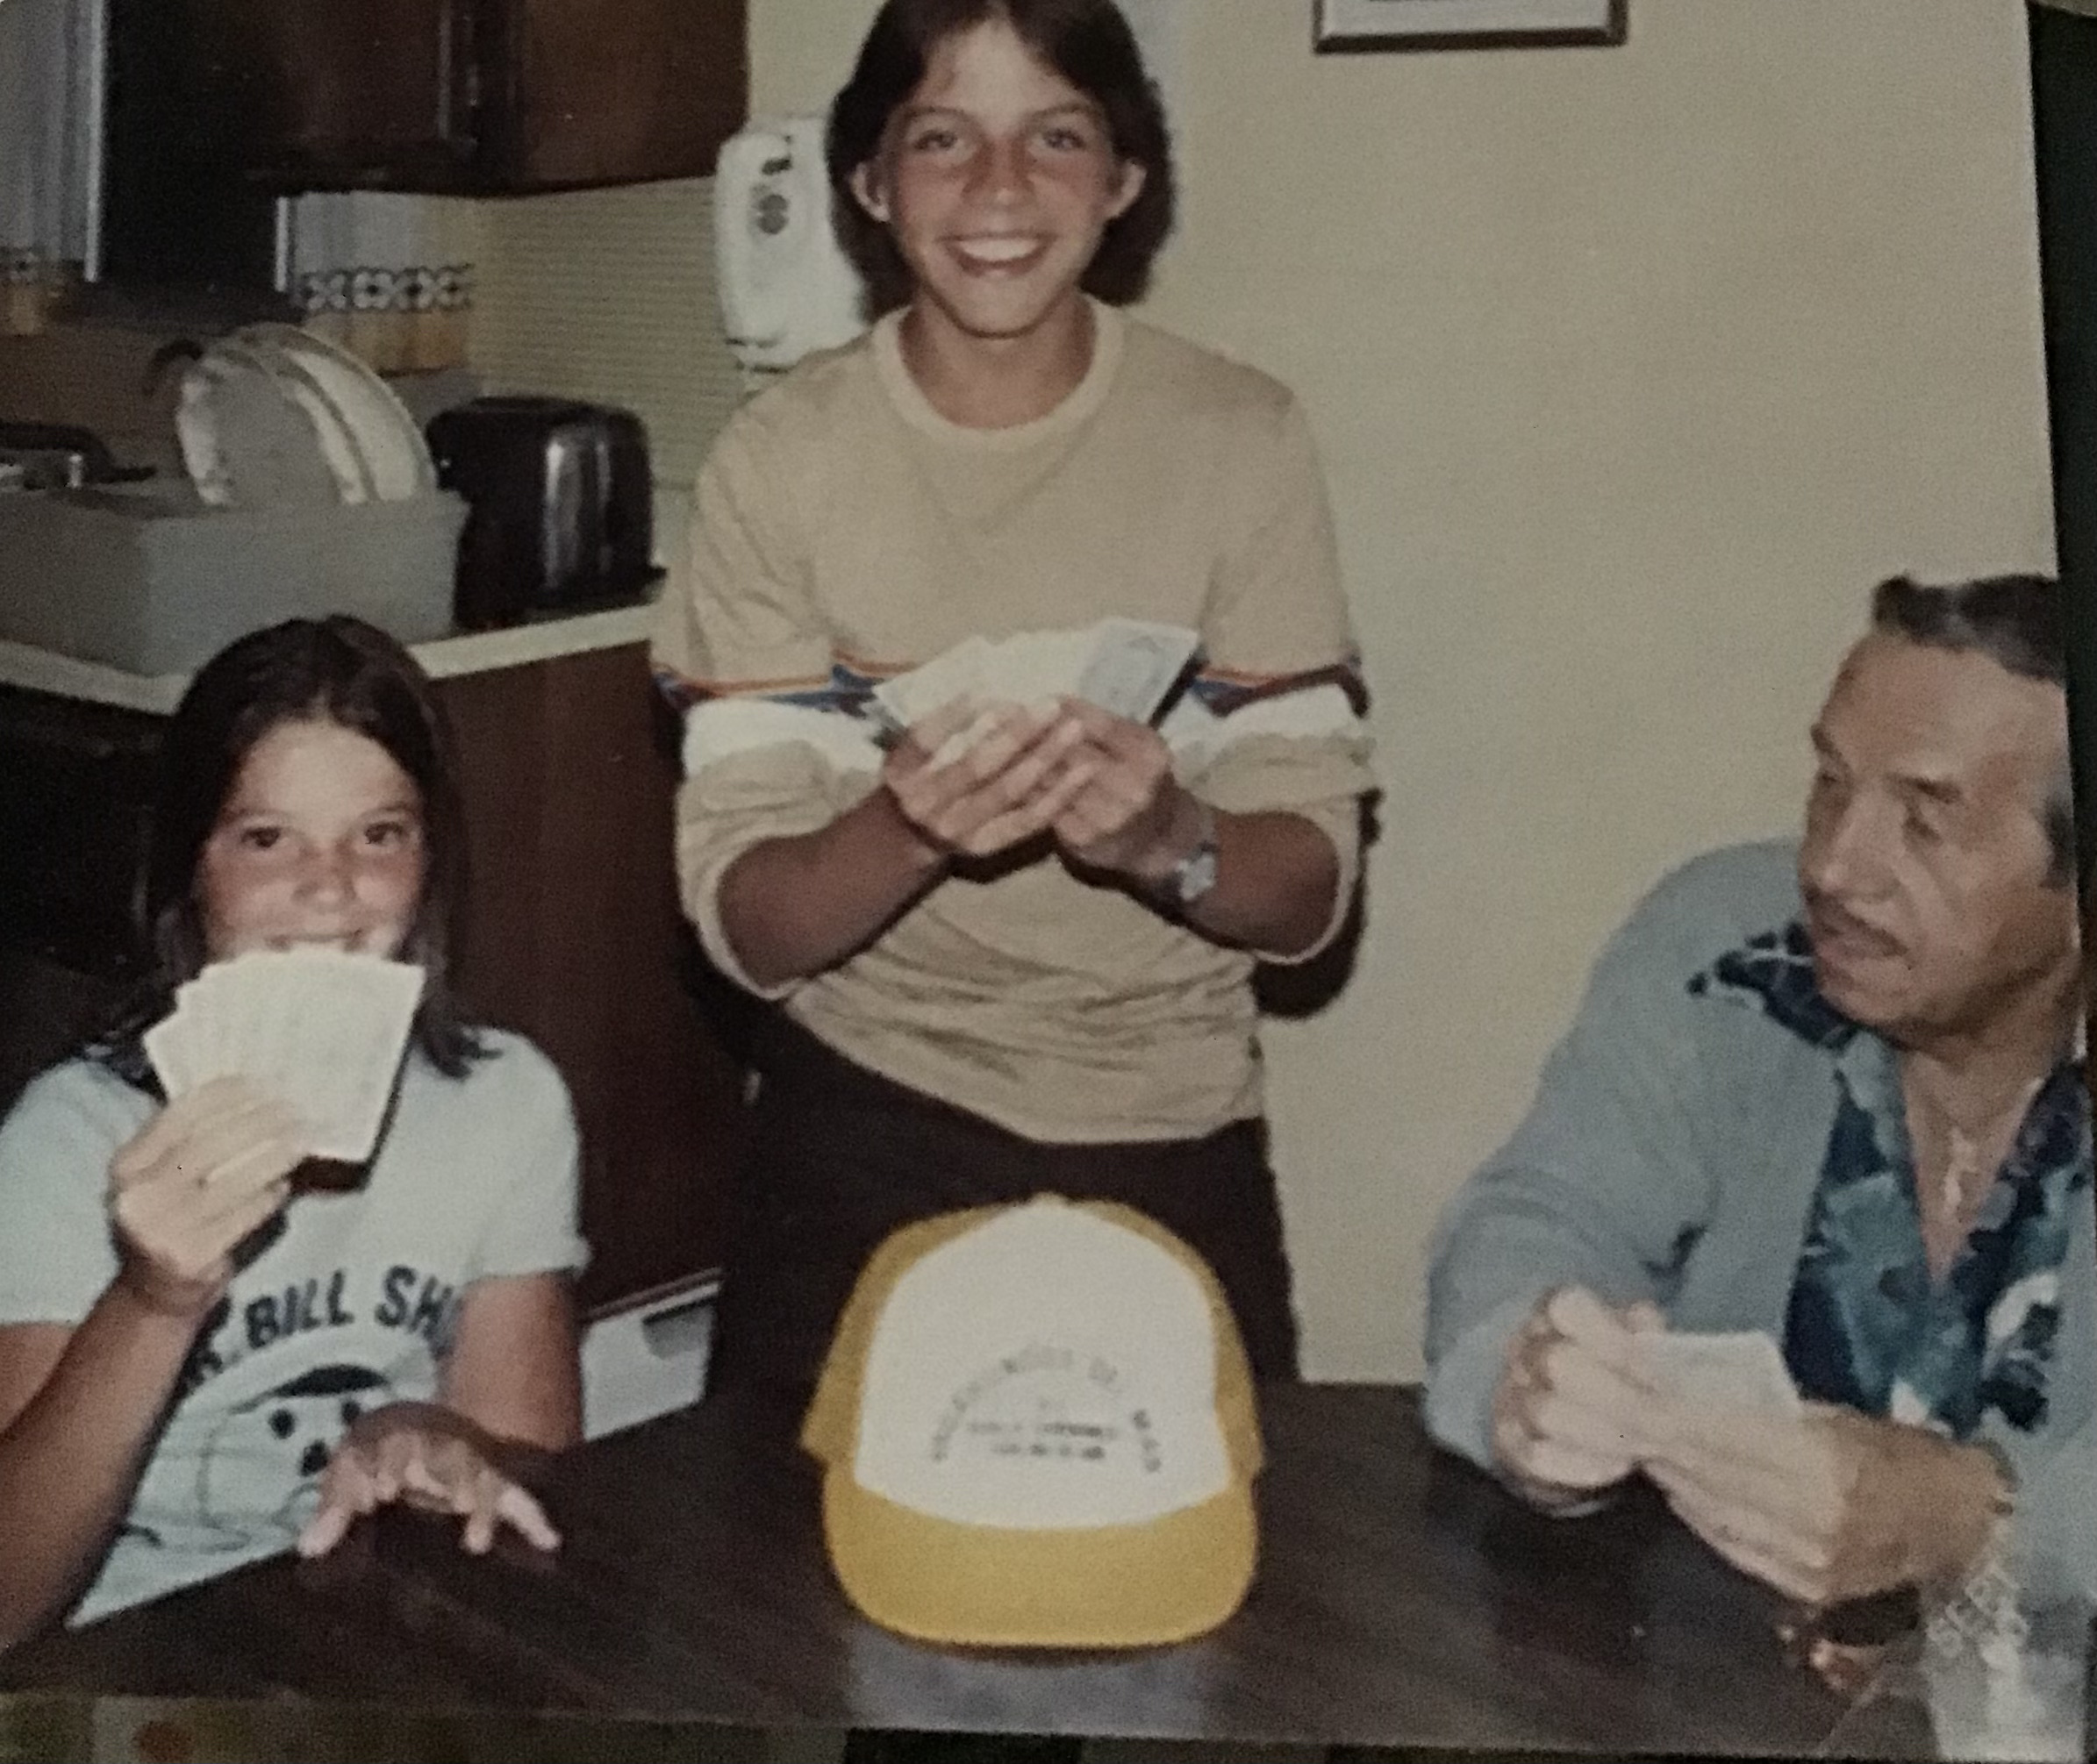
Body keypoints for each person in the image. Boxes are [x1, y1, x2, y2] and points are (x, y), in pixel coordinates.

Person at [653, 0, 1373, 1399]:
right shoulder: (780, 461)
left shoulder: (1239, 438)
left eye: (1054, 137)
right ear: (869, 182)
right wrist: (908, 828)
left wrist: (1167, 837)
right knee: (786, 1535)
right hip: (864, 1111)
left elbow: (1307, 903)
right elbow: (748, 927)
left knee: (1207, 1530)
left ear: (1123, 176)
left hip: (1169, 1119)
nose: (998, 189)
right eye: (942, 138)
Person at [1423, 574, 2095, 1639]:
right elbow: (1543, 1211)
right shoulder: (1729, 946)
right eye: (1829, 783)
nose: (1830, 867)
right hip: (1720, 1667)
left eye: (1923, 822)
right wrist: (1527, 1376)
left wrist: (1976, 1518)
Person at [0, 616, 587, 1648]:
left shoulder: (507, 1102)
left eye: (379, 834)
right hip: (124, 1649)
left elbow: (528, 1468)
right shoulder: (70, 1139)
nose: (328, 886)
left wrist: (431, 1431)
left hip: (371, 1626)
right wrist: (153, 1298)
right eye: (266, 838)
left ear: (430, 861)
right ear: (191, 869)